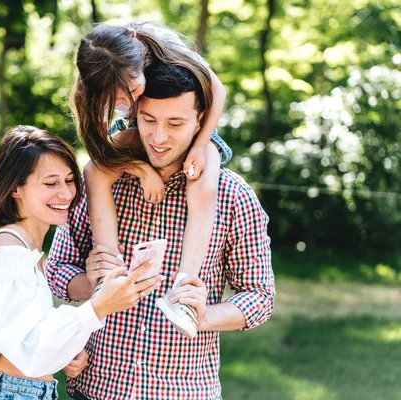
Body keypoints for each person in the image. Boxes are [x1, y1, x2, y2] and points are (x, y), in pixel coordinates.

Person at [47, 61, 275, 399]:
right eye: (149, 120)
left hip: (183, 391)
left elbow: (260, 297)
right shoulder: (101, 182)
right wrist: (90, 282)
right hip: (96, 389)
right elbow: (56, 270)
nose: (158, 137)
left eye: (175, 123)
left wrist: (204, 315)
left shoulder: (233, 197)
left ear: (202, 121)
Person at [0, 125, 165, 400]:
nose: (66, 194)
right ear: (16, 189)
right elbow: (30, 352)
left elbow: (23, 339)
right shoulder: (8, 254)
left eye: (70, 180)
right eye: (50, 183)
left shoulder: (25, 249)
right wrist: (99, 307)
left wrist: (67, 353)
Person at [70, 22, 232, 337]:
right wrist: (142, 170)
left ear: (139, 63)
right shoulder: (89, 97)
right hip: (139, 132)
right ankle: (109, 272)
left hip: (190, 131)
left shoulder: (166, 50)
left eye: (131, 91)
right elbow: (101, 155)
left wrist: (200, 145)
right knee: (93, 172)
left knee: (203, 178)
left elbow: (218, 90)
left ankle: (183, 293)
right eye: (115, 99)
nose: (126, 102)